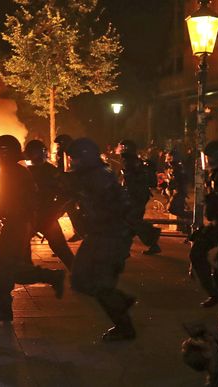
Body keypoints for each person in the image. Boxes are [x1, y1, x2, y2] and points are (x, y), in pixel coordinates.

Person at [0, 135, 64, 322]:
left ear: (5, 154)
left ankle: (5, 308)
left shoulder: (7, 173)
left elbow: (3, 204)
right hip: (23, 223)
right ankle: (51, 278)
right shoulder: (20, 171)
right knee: (13, 268)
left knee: (1, 266)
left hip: (16, 224)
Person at [64, 137, 136, 341]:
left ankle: (125, 327)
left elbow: (112, 208)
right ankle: (121, 302)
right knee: (80, 279)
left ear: (85, 158)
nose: (72, 162)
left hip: (110, 236)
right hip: (101, 234)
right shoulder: (93, 174)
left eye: (75, 159)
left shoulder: (97, 178)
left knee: (99, 285)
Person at [189, 140, 218, 308]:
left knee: (199, 252)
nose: (208, 161)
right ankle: (217, 292)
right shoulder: (217, 174)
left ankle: (217, 292)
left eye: (210, 157)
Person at [24, 139, 75, 269]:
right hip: (31, 214)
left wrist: (56, 210)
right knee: (21, 244)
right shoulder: (26, 171)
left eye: (34, 152)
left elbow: (66, 192)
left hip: (46, 214)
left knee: (59, 246)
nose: (32, 155)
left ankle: (78, 272)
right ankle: (27, 268)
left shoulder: (50, 171)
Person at [117, 139, 162, 255]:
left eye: (122, 147)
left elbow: (133, 180)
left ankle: (152, 237)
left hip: (136, 195)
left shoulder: (131, 161)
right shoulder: (131, 160)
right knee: (129, 220)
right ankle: (124, 247)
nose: (119, 149)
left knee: (132, 220)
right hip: (136, 195)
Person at [54, 134, 82, 242]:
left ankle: (57, 241)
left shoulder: (69, 155)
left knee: (56, 213)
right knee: (71, 212)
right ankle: (80, 232)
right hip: (66, 188)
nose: (57, 147)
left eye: (59, 145)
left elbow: (68, 172)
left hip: (69, 189)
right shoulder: (65, 155)